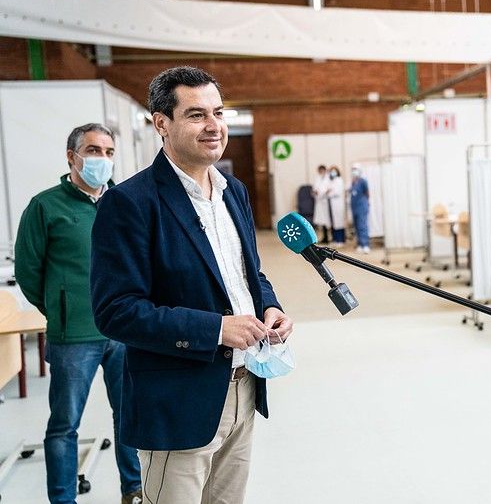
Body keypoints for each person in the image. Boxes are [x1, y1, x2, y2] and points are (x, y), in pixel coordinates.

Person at [90, 66, 294, 504]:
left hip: (242, 384)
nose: (214, 126)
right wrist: (217, 329)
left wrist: (269, 307)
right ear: (161, 123)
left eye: (218, 112)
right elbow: (115, 311)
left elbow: (247, 272)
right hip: (178, 399)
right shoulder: (129, 203)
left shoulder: (232, 191)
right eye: (196, 114)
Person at [14, 123, 142, 504]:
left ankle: (133, 489)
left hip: (123, 330)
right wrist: (61, 307)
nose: (101, 159)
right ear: (72, 157)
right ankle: (63, 498)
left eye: (107, 151)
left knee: (130, 416)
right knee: (64, 425)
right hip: (74, 338)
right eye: (92, 150)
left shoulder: (125, 202)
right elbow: (28, 271)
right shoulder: (45, 206)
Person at [350, 164, 370, 253]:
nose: (354, 171)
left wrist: (365, 202)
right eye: (352, 169)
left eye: (355, 169)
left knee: (362, 225)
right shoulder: (353, 182)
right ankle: (360, 244)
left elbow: (367, 193)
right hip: (354, 207)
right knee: (357, 226)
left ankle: (365, 244)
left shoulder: (363, 181)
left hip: (362, 206)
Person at [327, 165, 346, 247]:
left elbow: (337, 192)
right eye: (331, 171)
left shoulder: (339, 180)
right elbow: (328, 191)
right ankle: (335, 239)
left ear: (337, 172)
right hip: (332, 204)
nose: (332, 173)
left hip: (338, 204)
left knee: (339, 223)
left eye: (334, 171)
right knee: (334, 223)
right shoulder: (331, 181)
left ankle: (340, 240)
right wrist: (329, 192)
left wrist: (330, 193)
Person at [311, 164, 331, 243]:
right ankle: (324, 237)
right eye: (319, 171)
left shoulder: (328, 179)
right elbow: (314, 188)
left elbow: (328, 189)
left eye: (322, 170)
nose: (321, 172)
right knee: (322, 221)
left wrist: (320, 193)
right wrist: (314, 192)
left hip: (325, 202)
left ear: (325, 170)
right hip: (319, 202)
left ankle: (328, 237)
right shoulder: (317, 178)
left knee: (327, 221)